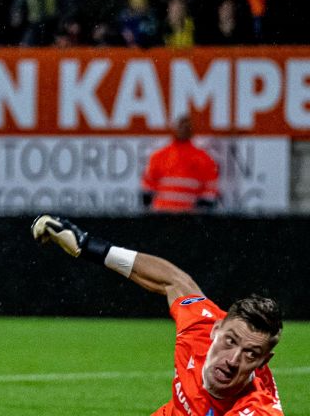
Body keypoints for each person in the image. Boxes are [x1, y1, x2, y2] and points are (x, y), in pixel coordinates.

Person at [31, 215, 284, 415]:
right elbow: (172, 281)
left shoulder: (257, 409)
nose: (233, 360)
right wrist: (88, 246)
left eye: (251, 354)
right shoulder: (200, 324)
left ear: (263, 361)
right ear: (215, 330)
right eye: (230, 341)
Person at [141, 115, 219, 212]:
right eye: (181, 126)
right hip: (162, 215)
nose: (183, 130)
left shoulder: (204, 159)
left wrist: (199, 217)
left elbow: (209, 192)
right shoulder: (159, 156)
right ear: (174, 128)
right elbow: (148, 188)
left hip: (188, 218)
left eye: (187, 126)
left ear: (192, 130)